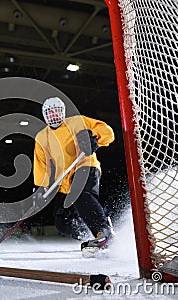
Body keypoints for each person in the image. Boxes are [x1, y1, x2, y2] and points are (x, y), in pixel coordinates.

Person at [33, 96, 115, 251]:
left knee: (79, 194)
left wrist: (94, 138)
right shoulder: (42, 137)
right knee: (62, 223)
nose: (54, 116)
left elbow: (107, 131)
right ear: (45, 115)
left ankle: (103, 232)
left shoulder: (77, 122)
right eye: (50, 113)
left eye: (57, 112)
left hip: (85, 166)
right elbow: (42, 166)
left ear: (63, 112)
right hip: (64, 181)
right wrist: (40, 188)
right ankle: (91, 234)